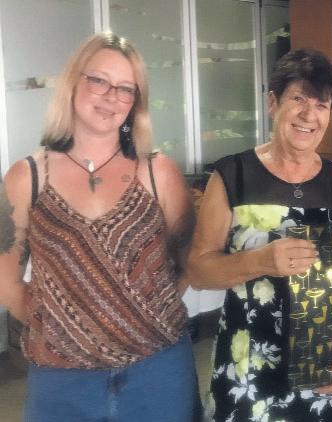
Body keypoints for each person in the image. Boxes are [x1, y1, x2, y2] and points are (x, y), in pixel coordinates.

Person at [0, 32, 197, 421]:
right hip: (61, 380)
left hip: (157, 371)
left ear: (135, 102)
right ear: (73, 82)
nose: (111, 97)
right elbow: (5, 279)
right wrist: (60, 327)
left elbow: (190, 260)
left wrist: (143, 316)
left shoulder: (158, 172)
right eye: (99, 81)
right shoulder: (26, 178)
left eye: (126, 88)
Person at [187, 49, 332, 421]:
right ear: (273, 103)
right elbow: (199, 272)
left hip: (328, 363)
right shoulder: (233, 175)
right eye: (298, 99)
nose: (309, 115)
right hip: (249, 366)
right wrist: (260, 261)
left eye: (321, 105)